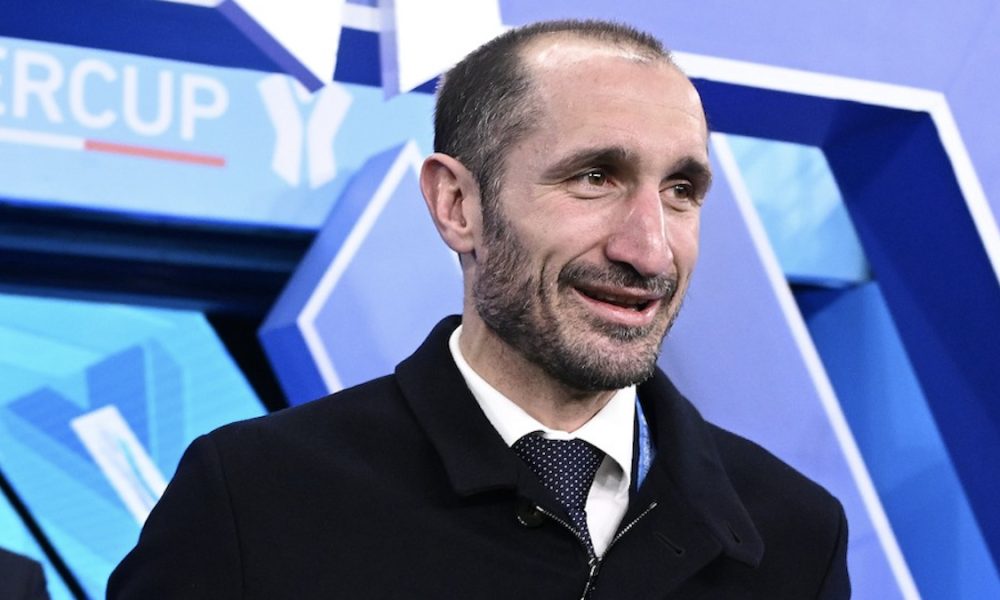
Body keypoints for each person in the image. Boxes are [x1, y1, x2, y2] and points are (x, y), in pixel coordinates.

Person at [108, 19, 850, 598]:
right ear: (457, 204)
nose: (650, 251)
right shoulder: (254, 496)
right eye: (595, 177)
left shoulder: (795, 533)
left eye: (681, 191)